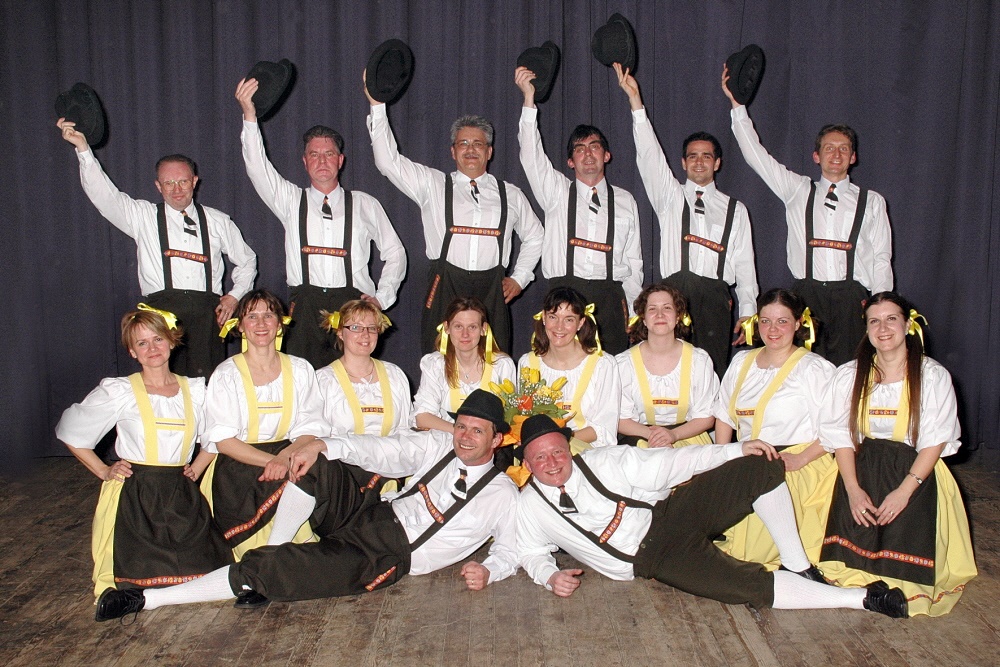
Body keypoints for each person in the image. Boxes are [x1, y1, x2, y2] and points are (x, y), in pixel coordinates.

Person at [93, 390, 518, 620]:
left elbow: (513, 548)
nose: (464, 437)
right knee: (316, 463)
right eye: (461, 426)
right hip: (372, 513)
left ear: (496, 439)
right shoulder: (439, 445)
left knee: (269, 569)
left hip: (383, 555)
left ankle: (143, 600)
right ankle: (277, 546)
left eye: (476, 431)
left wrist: (490, 570)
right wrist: (322, 445)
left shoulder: (502, 495)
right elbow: (382, 450)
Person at [516, 414, 907, 617]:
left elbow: (675, 463)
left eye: (558, 451)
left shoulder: (605, 461)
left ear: (569, 449)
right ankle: (863, 599)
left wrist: (735, 450)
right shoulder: (529, 506)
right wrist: (549, 575)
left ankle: (798, 565)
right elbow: (530, 552)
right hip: (654, 560)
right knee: (745, 589)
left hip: (670, 516)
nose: (552, 462)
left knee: (760, 464)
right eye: (540, 457)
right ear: (527, 464)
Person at [56, 119, 257, 378]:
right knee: (162, 385)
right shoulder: (143, 216)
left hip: (207, 317)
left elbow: (247, 260)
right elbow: (104, 197)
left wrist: (235, 296)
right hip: (160, 316)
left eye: (183, 181)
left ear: (194, 181)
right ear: (158, 186)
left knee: (207, 385)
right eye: (169, 183)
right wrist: (83, 149)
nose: (177, 189)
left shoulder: (218, 220)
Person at [56, 307, 231, 600]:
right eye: (142, 343)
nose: (152, 348)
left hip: (181, 496)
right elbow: (71, 430)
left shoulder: (195, 391)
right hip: (136, 498)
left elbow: (216, 436)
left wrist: (197, 468)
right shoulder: (121, 391)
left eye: (158, 339)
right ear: (132, 352)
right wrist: (103, 470)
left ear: (172, 341)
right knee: (137, 577)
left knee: (210, 575)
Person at [818, 292, 976, 616]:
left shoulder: (932, 376)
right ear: (866, 329)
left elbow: (935, 441)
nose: (883, 328)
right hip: (862, 468)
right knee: (852, 546)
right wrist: (852, 489)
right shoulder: (849, 374)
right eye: (874, 321)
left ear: (907, 325)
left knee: (905, 551)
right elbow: (841, 437)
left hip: (915, 471)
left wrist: (905, 492)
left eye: (891, 319)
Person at [723, 65, 892, 366]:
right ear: (816, 156)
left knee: (851, 373)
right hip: (806, 297)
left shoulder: (873, 202)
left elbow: (881, 258)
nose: (836, 155)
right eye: (829, 148)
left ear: (853, 157)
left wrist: (882, 309)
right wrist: (738, 107)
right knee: (801, 372)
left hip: (852, 299)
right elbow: (757, 157)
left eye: (844, 149)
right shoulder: (798, 190)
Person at [365, 73, 544, 354]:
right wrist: (377, 105)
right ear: (452, 151)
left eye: (478, 144)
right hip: (444, 287)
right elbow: (388, 162)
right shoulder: (432, 184)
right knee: (438, 364)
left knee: (495, 365)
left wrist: (520, 278)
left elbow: (536, 236)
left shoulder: (511, 194)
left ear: (489, 151)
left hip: (492, 293)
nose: (470, 150)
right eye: (463, 144)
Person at [235, 78, 406, 369]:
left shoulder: (365, 204)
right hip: (304, 310)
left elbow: (396, 253)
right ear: (305, 161)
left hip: (353, 308)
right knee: (302, 382)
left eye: (328, 154)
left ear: (340, 160)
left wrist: (381, 298)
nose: (322, 161)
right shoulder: (291, 200)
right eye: (314, 155)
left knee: (353, 382)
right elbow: (257, 168)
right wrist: (249, 117)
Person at [616, 64, 757, 377]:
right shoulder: (670, 196)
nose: (699, 161)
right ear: (682, 162)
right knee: (668, 372)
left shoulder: (735, 209)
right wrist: (636, 103)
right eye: (693, 156)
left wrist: (748, 310)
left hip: (716, 298)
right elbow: (650, 157)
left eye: (706, 156)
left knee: (712, 373)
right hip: (673, 296)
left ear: (717, 163)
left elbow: (745, 265)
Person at [515, 66, 643, 354]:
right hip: (563, 297)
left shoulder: (626, 200)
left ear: (606, 155)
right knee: (558, 370)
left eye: (594, 147)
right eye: (579, 148)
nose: (587, 153)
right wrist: (529, 100)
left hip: (610, 297)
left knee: (611, 369)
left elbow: (634, 262)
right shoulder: (557, 192)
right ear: (570, 161)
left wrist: (635, 310)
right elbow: (531, 157)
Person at [200, 289, 330, 560]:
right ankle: (261, 559)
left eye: (268, 315)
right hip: (239, 466)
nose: (261, 324)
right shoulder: (226, 373)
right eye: (252, 316)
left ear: (280, 323)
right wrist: (272, 462)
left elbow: (312, 427)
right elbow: (224, 441)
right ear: (240, 326)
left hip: (289, 455)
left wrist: (285, 457)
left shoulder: (301, 369)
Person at [712, 288, 837, 568]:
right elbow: (724, 416)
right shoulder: (741, 362)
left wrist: (801, 458)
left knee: (752, 552)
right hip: (748, 461)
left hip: (796, 464)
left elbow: (837, 427)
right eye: (766, 321)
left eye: (782, 321)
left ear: (798, 323)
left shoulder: (814, 369)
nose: (773, 329)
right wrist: (721, 458)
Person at [518, 286, 621, 451]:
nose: (559, 327)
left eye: (569, 319)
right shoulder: (528, 363)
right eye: (553, 317)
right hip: (541, 451)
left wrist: (557, 441)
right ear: (543, 317)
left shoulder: (603, 364)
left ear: (580, 323)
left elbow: (604, 428)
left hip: (588, 452)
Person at [616, 284, 718, 448]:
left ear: (678, 316)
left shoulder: (699, 360)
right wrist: (655, 437)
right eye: (652, 309)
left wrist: (673, 435)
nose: (660, 314)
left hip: (689, 439)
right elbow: (620, 419)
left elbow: (706, 417)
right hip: (641, 438)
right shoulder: (624, 364)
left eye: (667, 308)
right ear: (643, 318)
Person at [413, 296, 516, 434]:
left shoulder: (501, 365)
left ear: (483, 329)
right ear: (446, 328)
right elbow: (423, 417)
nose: (465, 334)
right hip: (445, 439)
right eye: (458, 326)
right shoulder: (435, 364)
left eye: (472, 327)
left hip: (486, 442)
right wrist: (462, 433)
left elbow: (511, 416)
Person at [315, 299, 411, 437]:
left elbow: (406, 431)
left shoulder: (395, 375)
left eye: (371, 328)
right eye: (356, 327)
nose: (365, 335)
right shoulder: (324, 381)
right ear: (340, 332)